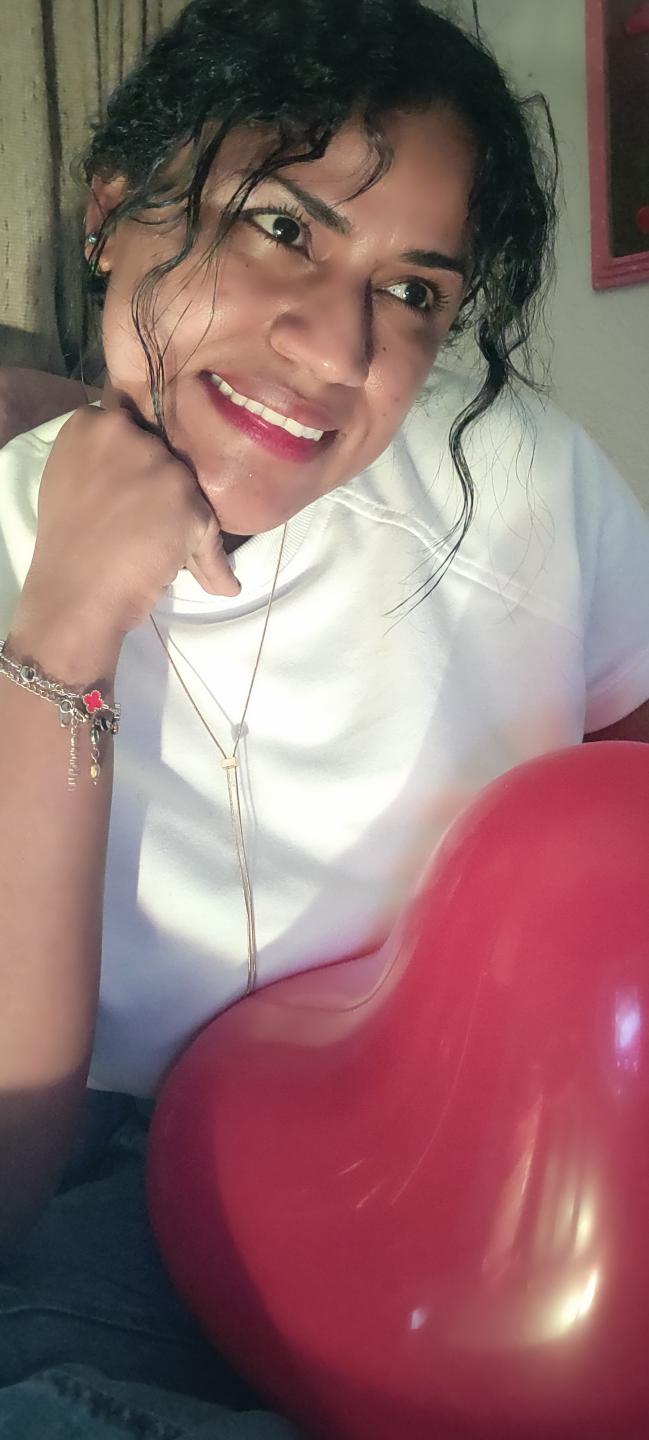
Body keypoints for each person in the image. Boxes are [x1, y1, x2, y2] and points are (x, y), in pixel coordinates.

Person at [1, 0, 649, 1435]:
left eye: (412, 290)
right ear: (112, 213)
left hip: (493, 1160)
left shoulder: (514, 481)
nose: (338, 348)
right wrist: (61, 635)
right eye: (281, 227)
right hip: (105, 1196)